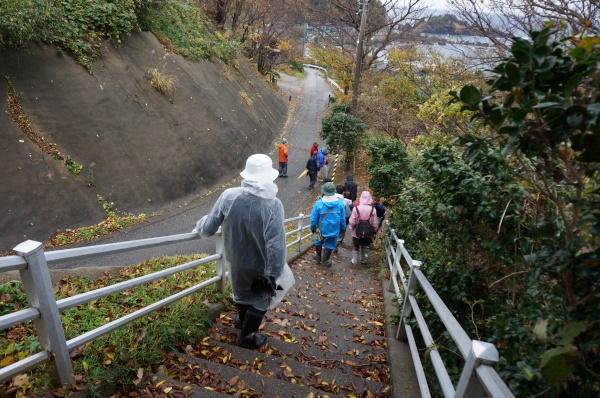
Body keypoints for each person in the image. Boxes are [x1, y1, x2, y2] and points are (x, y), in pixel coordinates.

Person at [194, 154, 290, 350]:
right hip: (262, 264)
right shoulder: (273, 205)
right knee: (263, 298)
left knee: (241, 292)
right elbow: (276, 244)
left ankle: (242, 321)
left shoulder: (229, 196)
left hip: (235, 259)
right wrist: (275, 272)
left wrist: (199, 227)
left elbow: (209, 227)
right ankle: (247, 336)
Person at [310, 182, 346, 267]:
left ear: (323, 191)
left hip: (320, 228)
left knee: (318, 241)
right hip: (334, 229)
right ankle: (325, 260)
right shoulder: (340, 204)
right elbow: (342, 219)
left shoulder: (318, 203)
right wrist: (342, 228)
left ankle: (318, 256)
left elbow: (313, 218)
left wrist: (312, 228)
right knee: (330, 243)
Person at [349, 191, 378, 265]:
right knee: (364, 245)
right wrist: (374, 230)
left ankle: (355, 260)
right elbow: (374, 222)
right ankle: (363, 259)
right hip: (368, 231)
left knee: (356, 245)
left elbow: (352, 221)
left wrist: (352, 227)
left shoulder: (356, 208)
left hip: (356, 231)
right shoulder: (373, 209)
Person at [334, 185, 352, 253]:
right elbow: (348, 213)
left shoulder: (331, 198)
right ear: (343, 192)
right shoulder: (346, 201)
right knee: (340, 234)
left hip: (331, 218)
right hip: (341, 219)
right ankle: (334, 247)